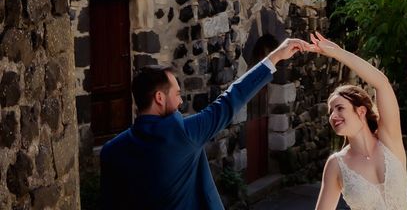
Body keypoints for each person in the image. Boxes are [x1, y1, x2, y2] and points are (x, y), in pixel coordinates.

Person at [100, 38, 307, 210]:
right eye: (178, 94)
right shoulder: (184, 132)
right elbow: (231, 99)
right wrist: (276, 56)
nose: (181, 102)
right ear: (160, 98)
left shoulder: (111, 151)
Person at [308, 32, 407, 210]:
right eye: (331, 111)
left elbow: (382, 83)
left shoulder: (389, 140)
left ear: (361, 111)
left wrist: (338, 53)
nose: (333, 116)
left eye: (340, 108)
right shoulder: (336, 164)